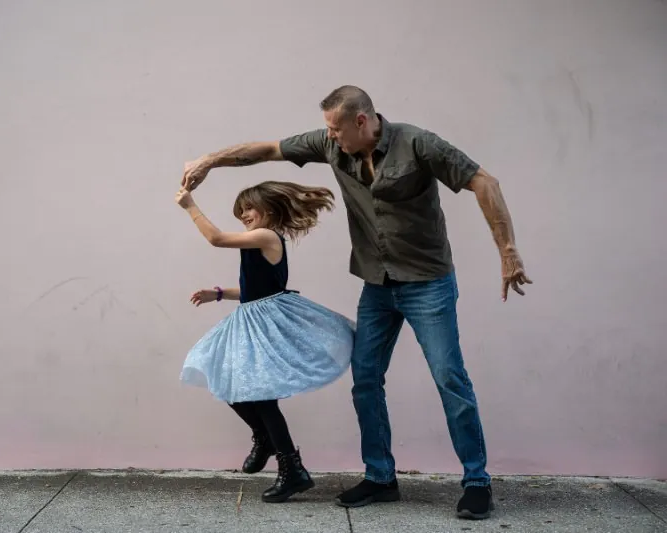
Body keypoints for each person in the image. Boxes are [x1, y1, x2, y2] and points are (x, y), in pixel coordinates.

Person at [180, 85, 532, 520]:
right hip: (377, 285)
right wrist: (209, 161)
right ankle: (381, 477)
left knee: (449, 377)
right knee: (365, 379)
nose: (330, 137)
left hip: (428, 284)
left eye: (336, 128)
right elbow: (268, 149)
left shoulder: (418, 143)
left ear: (361, 121)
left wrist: (508, 250)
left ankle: (476, 482)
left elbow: (484, 182)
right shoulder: (332, 144)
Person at [174, 180, 356, 503]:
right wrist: (217, 293)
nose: (243, 215)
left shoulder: (267, 236)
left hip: (266, 326)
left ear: (268, 210)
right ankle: (267, 439)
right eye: (240, 211)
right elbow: (252, 289)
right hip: (251, 320)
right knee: (230, 381)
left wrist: (190, 206)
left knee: (262, 395)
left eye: (248, 209)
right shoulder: (258, 239)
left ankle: (290, 467)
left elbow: (216, 238)